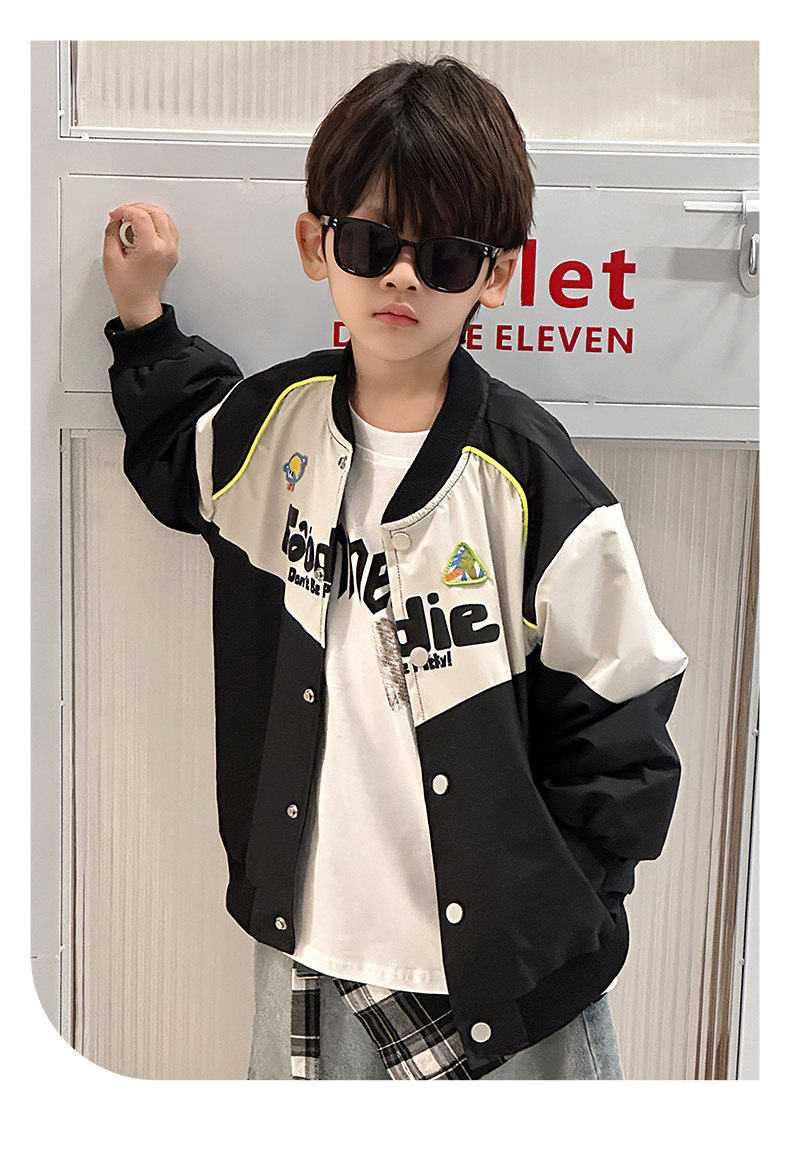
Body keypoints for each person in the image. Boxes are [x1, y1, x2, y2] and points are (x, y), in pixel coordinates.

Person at [102, 57, 688, 1081]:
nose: (403, 278)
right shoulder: (271, 429)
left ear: (497, 274)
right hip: (311, 945)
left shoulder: (531, 480)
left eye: (446, 256)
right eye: (371, 244)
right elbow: (177, 449)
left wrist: (555, 900)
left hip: (502, 983)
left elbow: (625, 718)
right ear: (316, 245)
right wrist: (143, 318)